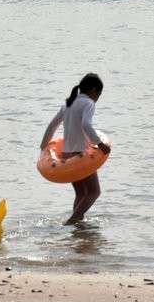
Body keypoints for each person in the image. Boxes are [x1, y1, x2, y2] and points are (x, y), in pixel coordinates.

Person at [40, 72, 111, 225]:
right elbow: (86, 124)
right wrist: (99, 143)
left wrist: (43, 146)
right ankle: (73, 220)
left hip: (66, 156)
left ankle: (77, 225)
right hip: (80, 156)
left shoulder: (68, 103)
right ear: (93, 90)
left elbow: (53, 125)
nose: (98, 98)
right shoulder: (88, 103)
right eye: (99, 94)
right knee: (94, 191)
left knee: (80, 192)